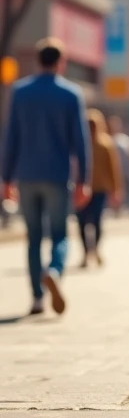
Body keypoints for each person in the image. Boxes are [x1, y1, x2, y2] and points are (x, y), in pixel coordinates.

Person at [1, 38, 91, 315]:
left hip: (26, 175)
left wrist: (5, 179)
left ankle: (37, 298)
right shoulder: (70, 94)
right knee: (60, 235)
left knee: (34, 236)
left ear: (38, 61)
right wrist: (84, 180)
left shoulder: (20, 91)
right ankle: (53, 269)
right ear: (61, 63)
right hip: (57, 175)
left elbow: (11, 137)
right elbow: (80, 140)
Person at [78, 110, 123, 267]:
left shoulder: (105, 144)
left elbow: (113, 168)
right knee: (82, 222)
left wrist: (116, 189)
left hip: (100, 189)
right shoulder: (79, 144)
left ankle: (95, 250)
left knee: (96, 221)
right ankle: (85, 252)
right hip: (82, 188)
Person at [108, 115, 129, 212]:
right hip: (112, 172)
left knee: (124, 190)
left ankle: (122, 207)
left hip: (124, 171)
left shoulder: (125, 141)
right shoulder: (107, 140)